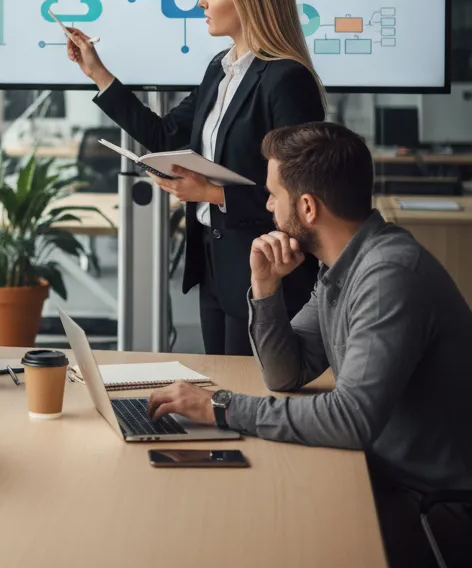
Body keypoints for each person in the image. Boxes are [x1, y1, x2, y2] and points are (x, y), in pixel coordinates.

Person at [146, 122, 472, 566]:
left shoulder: (388, 277)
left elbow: (349, 420)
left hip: (425, 505)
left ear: (307, 207)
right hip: (374, 473)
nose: (266, 206)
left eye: (272, 195)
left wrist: (218, 406)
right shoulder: (343, 265)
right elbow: (286, 373)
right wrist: (265, 287)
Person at [66, 0, 325, 355]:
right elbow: (166, 135)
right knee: (222, 387)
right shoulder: (219, 70)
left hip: (266, 267)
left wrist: (213, 193)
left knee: (253, 394)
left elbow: (303, 196)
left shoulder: (286, 80)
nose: (201, 1)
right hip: (214, 263)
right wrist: (97, 72)